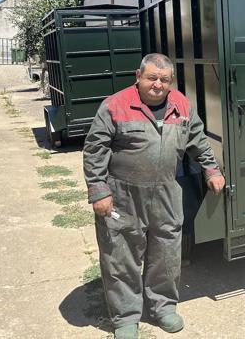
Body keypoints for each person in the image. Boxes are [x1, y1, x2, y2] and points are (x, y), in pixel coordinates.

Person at [83, 53, 225, 339]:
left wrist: (211, 169)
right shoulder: (115, 105)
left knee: (166, 253)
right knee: (121, 256)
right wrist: (99, 191)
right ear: (138, 76)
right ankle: (125, 318)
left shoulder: (181, 104)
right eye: (151, 78)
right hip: (123, 194)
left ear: (170, 81)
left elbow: (197, 139)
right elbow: (95, 150)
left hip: (166, 191)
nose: (157, 85)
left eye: (164, 79)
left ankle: (163, 308)